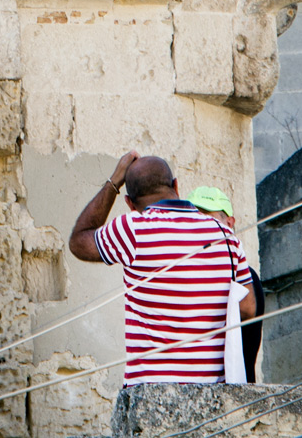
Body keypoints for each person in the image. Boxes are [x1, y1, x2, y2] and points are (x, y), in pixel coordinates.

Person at [66, 151, 255, 385]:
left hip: (149, 392)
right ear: (176, 185)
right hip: (211, 394)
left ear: (129, 203)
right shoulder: (225, 236)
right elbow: (247, 309)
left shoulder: (132, 229)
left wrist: (114, 182)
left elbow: (78, 241)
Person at [187, 185, 265, 383]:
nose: (201, 227)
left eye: (209, 219)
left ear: (230, 223)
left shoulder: (246, 278)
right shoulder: (186, 273)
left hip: (233, 394)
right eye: (193, 219)